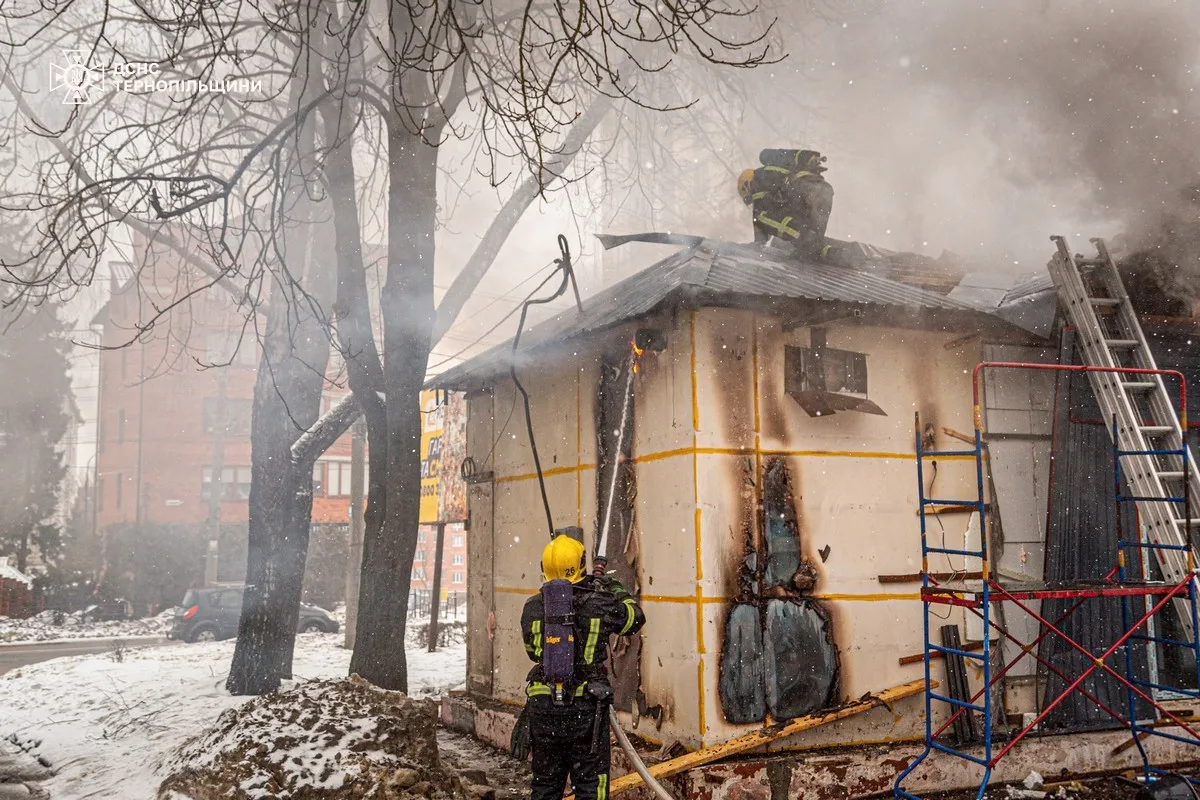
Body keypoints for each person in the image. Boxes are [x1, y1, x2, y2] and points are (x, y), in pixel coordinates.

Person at [513, 534, 646, 800]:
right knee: (590, 786)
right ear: (581, 565)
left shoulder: (532, 608)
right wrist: (613, 588)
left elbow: (532, 653)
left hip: (543, 710)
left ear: (544, 569)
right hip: (585, 713)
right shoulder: (599, 604)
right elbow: (635, 619)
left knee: (545, 785)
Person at [737, 149, 835, 260]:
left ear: (746, 185)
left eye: (747, 196)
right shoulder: (774, 174)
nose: (751, 201)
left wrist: (755, 246)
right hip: (823, 192)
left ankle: (809, 243)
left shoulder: (758, 178)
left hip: (805, 191)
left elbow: (760, 219)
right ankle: (842, 253)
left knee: (762, 217)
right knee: (813, 245)